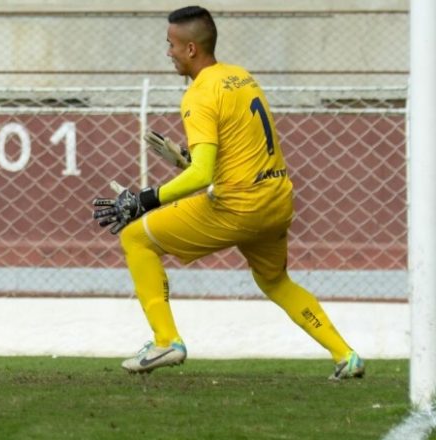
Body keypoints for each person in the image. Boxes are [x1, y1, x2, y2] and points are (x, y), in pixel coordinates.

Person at [92, 6, 364, 380]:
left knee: (136, 237)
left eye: (170, 44)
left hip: (239, 206)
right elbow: (233, 157)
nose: (167, 52)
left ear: (190, 49)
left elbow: (204, 176)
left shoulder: (198, 94)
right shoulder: (241, 77)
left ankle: (166, 340)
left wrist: (143, 200)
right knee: (274, 281)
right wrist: (182, 160)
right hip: (277, 200)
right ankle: (345, 355)